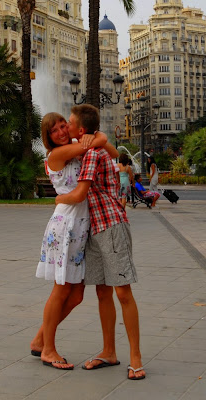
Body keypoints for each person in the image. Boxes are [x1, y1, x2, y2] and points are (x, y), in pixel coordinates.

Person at [56, 104, 145, 381]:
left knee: (123, 292)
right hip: (95, 228)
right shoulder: (90, 148)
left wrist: (58, 198)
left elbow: (79, 194)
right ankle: (109, 352)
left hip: (111, 226)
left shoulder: (93, 153)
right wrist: (99, 137)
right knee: (103, 293)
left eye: (69, 123)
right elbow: (114, 152)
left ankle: (136, 359)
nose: (66, 126)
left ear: (81, 129)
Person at [31, 112, 118, 370]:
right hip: (66, 224)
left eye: (63, 125)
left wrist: (97, 136)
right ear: (48, 136)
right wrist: (94, 137)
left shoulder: (77, 147)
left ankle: (40, 339)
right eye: (54, 130)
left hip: (82, 224)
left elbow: (112, 152)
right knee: (61, 289)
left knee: (77, 294)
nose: (61, 131)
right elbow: (98, 142)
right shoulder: (56, 155)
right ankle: (48, 350)